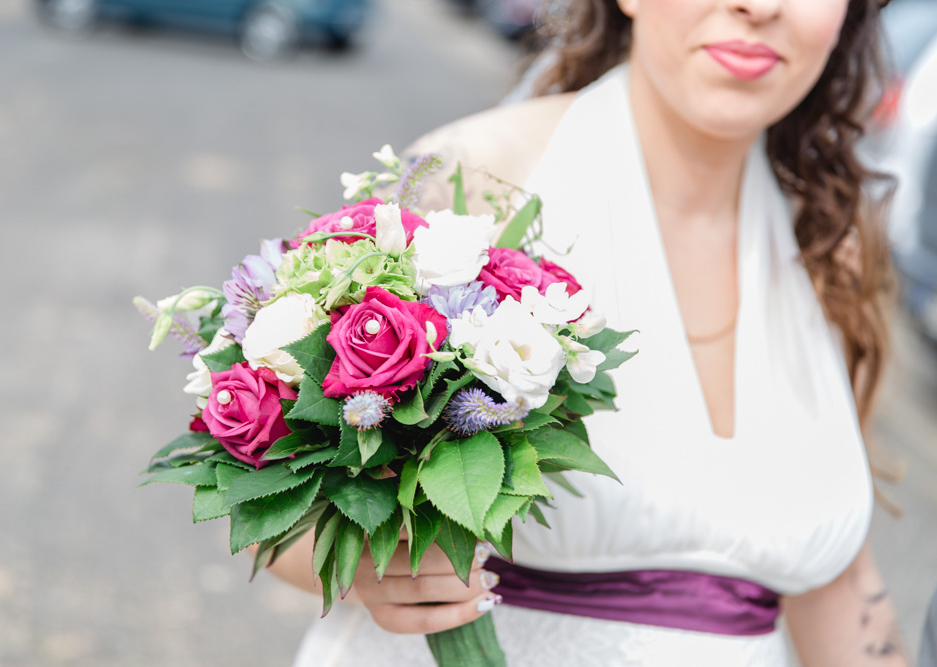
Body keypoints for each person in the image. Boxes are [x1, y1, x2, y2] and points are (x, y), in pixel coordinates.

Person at [265, 0, 911, 664]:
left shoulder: (833, 245)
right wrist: (368, 564)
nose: (760, 5)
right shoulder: (471, 178)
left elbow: (834, 571)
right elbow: (277, 514)